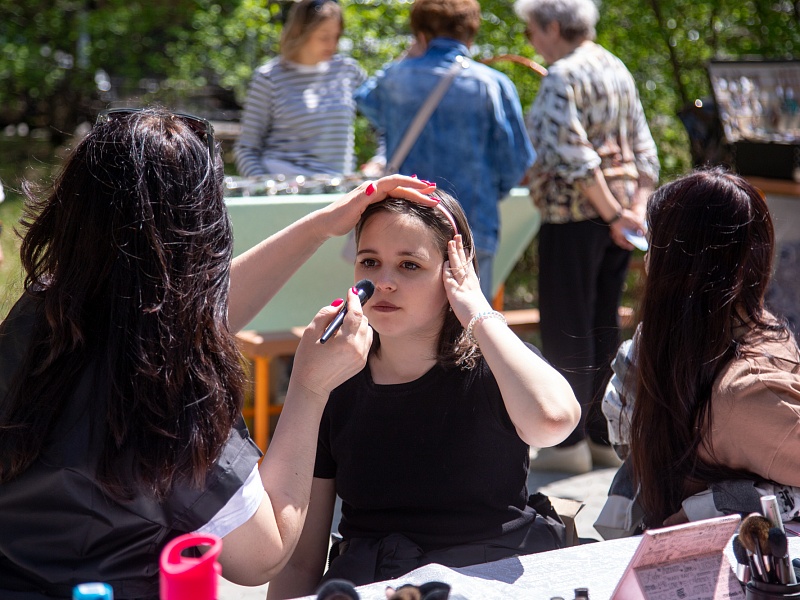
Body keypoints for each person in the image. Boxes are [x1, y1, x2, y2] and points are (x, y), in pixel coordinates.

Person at [0, 107, 435, 599]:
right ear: (200, 229)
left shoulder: (45, 310)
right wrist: (309, 387)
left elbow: (177, 314)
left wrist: (319, 227)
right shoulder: (166, 386)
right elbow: (262, 555)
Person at [266, 190, 581, 598]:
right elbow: (300, 561)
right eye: (370, 261)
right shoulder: (333, 378)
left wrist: (477, 311)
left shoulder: (496, 365)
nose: (384, 282)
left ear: (455, 273)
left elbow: (553, 420)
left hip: (490, 579)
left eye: (409, 265)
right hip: (374, 583)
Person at [597, 168, 800, 535]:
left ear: (676, 266)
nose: (646, 261)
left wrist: (723, 501)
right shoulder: (653, 347)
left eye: (653, 245)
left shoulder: (748, 394)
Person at [514, 0, 660, 473]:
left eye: (532, 32)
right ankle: (603, 433)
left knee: (566, 325)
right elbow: (644, 147)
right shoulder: (615, 67)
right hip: (619, 219)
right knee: (603, 323)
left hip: (574, 216)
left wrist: (615, 213)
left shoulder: (562, 75)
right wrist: (632, 210)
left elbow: (571, 153)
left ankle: (567, 441)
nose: (532, 42)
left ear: (553, 27)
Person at [355, 0, 536, 300]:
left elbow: (364, 99)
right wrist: (487, 194)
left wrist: (407, 56)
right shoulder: (492, 84)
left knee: (399, 322)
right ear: (471, 33)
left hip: (401, 229)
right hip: (471, 226)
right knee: (470, 320)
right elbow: (516, 165)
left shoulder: (395, 78)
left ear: (420, 34)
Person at [234, 0, 365, 178]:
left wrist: (380, 161)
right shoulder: (269, 77)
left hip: (338, 187)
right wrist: (265, 187)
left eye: (337, 36)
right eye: (324, 37)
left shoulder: (348, 71)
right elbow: (246, 149)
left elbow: (388, 117)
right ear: (301, 32)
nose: (332, 44)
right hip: (284, 186)